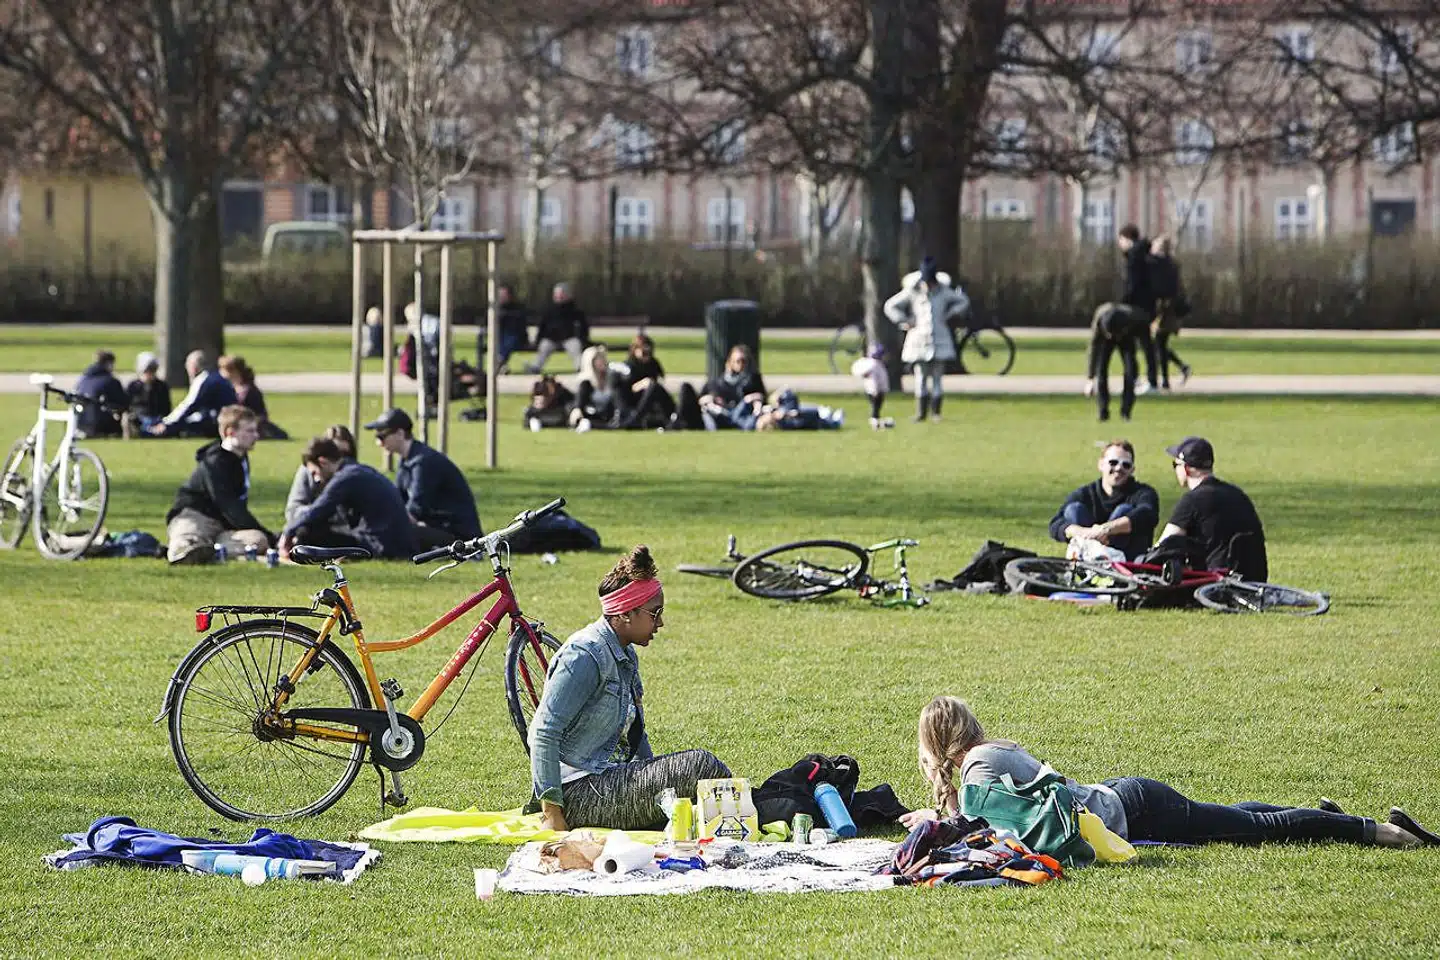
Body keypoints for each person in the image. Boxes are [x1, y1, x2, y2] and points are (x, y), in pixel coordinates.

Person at [901, 695, 1432, 849]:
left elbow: (975, 830)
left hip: (1135, 807)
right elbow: (988, 823)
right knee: (1231, 819)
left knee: (1252, 830)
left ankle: (1379, 831)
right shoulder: (982, 760)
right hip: (1128, 803)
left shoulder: (977, 771)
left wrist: (938, 818)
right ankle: (1323, 818)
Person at [529, 545, 731, 831]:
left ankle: (748, 813)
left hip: (613, 778)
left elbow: (634, 733)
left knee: (698, 779)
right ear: (625, 614)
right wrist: (553, 815)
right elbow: (543, 732)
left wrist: (652, 775)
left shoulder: (624, 653)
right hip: (579, 794)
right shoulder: (584, 655)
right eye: (654, 612)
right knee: (700, 765)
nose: (660, 622)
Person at [163, 405, 274, 565]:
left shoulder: (241, 459)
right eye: (249, 431)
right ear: (230, 432)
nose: (256, 436)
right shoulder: (214, 462)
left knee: (258, 539)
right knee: (186, 540)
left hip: (222, 527)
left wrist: (268, 536)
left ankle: (210, 552)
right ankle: (187, 552)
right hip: (195, 516)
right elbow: (229, 505)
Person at [277, 437, 418, 561]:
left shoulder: (344, 478)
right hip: (393, 541)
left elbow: (318, 510)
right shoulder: (356, 469)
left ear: (323, 462)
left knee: (307, 533)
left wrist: (288, 532)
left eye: (315, 472)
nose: (316, 479)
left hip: (379, 545)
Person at [1156, 436, 1268, 581]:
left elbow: (1163, 546)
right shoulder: (1238, 494)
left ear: (1186, 468)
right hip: (1254, 580)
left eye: (1175, 464)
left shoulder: (1192, 500)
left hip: (1215, 583)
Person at [367, 407, 482, 548]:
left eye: (382, 437)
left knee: (398, 532)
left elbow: (414, 511)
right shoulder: (407, 461)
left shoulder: (424, 463)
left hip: (459, 536)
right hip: (436, 527)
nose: (379, 443)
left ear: (400, 433)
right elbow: (398, 503)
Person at [884, 256, 969, 423]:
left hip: (939, 339)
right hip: (918, 340)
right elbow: (890, 306)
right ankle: (920, 412)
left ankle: (936, 412)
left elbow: (963, 301)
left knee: (937, 377)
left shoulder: (944, 293)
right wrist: (905, 321)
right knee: (920, 377)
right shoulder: (912, 292)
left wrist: (950, 315)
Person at [1047, 439, 1160, 561]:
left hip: (1126, 562)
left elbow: (1147, 514)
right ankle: (1091, 560)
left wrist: (1105, 530)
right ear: (1101, 464)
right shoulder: (1085, 494)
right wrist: (1086, 533)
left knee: (1124, 510)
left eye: (1125, 465)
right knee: (1073, 509)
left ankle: (1105, 560)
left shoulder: (1143, 493)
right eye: (1113, 462)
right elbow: (1056, 524)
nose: (1118, 468)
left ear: (1132, 469)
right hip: (1087, 555)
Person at [284, 424, 359, 540]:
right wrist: (319, 511)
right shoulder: (308, 472)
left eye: (345, 454)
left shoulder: (353, 475)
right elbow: (293, 510)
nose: (340, 459)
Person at [678, 344, 767, 431]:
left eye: (744, 361)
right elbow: (700, 401)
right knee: (686, 388)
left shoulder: (753, 381)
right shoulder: (715, 383)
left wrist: (753, 398)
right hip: (718, 415)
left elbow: (763, 401)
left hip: (742, 417)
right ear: (729, 362)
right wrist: (711, 400)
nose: (741, 365)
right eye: (738, 361)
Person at [151, 350, 237, 438]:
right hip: (227, 420)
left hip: (218, 423)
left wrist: (166, 424)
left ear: (193, 366)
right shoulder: (214, 377)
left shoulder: (203, 380)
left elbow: (188, 405)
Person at [1084, 301, 1144, 422]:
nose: (1113, 338)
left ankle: (1126, 412)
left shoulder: (1133, 319)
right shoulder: (1100, 320)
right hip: (1106, 337)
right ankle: (1103, 411)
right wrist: (1090, 378)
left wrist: (1135, 375)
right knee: (1101, 369)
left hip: (1126, 336)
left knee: (1129, 371)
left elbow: (1135, 351)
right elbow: (1094, 348)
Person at [1148, 236, 1193, 390]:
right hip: (1171, 308)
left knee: (1159, 344)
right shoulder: (1172, 264)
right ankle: (1180, 369)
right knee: (1160, 344)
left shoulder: (1161, 264)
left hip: (1165, 308)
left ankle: (1168, 378)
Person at [219, 355, 288, 440]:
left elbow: (260, 415)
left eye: (223, 370)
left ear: (234, 371)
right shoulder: (229, 388)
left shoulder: (249, 390)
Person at [617, 334, 678, 430]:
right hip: (636, 400)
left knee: (654, 387)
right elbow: (626, 390)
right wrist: (643, 384)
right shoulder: (629, 366)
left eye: (649, 352)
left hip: (653, 401)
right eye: (643, 352)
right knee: (652, 386)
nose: (646, 355)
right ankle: (636, 419)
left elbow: (660, 381)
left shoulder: (653, 364)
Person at [527, 282, 589, 373]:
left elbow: (583, 327)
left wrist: (583, 339)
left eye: (561, 294)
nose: (558, 296)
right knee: (544, 346)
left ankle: (580, 367)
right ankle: (536, 367)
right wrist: (538, 339)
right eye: (556, 294)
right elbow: (542, 326)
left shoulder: (575, 310)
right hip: (551, 338)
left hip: (569, 338)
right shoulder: (549, 310)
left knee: (575, 346)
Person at [73, 349, 128, 438]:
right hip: (100, 426)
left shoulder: (83, 379)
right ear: (108, 363)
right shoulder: (110, 381)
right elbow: (124, 403)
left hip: (80, 424)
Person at [570, 345, 624, 432]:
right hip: (592, 413)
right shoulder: (586, 382)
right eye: (598, 359)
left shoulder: (612, 377)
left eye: (603, 358)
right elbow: (579, 404)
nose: (602, 361)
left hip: (609, 414)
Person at [125, 351, 172, 435]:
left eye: (153, 370)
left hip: (157, 419)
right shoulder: (133, 386)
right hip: (140, 419)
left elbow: (166, 409)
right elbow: (129, 406)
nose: (150, 374)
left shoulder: (162, 386)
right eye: (148, 370)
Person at [851, 343, 894, 430]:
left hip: (874, 390)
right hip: (876, 390)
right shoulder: (874, 365)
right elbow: (873, 380)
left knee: (876, 407)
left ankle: (876, 421)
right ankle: (874, 423)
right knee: (876, 407)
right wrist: (875, 390)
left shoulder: (873, 364)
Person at [494, 284, 532, 373]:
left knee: (510, 338)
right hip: (500, 339)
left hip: (516, 338)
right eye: (500, 295)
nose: (502, 297)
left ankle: (500, 362)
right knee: (500, 339)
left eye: (504, 295)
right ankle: (502, 364)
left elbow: (520, 327)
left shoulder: (517, 309)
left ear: (509, 296)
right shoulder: (496, 309)